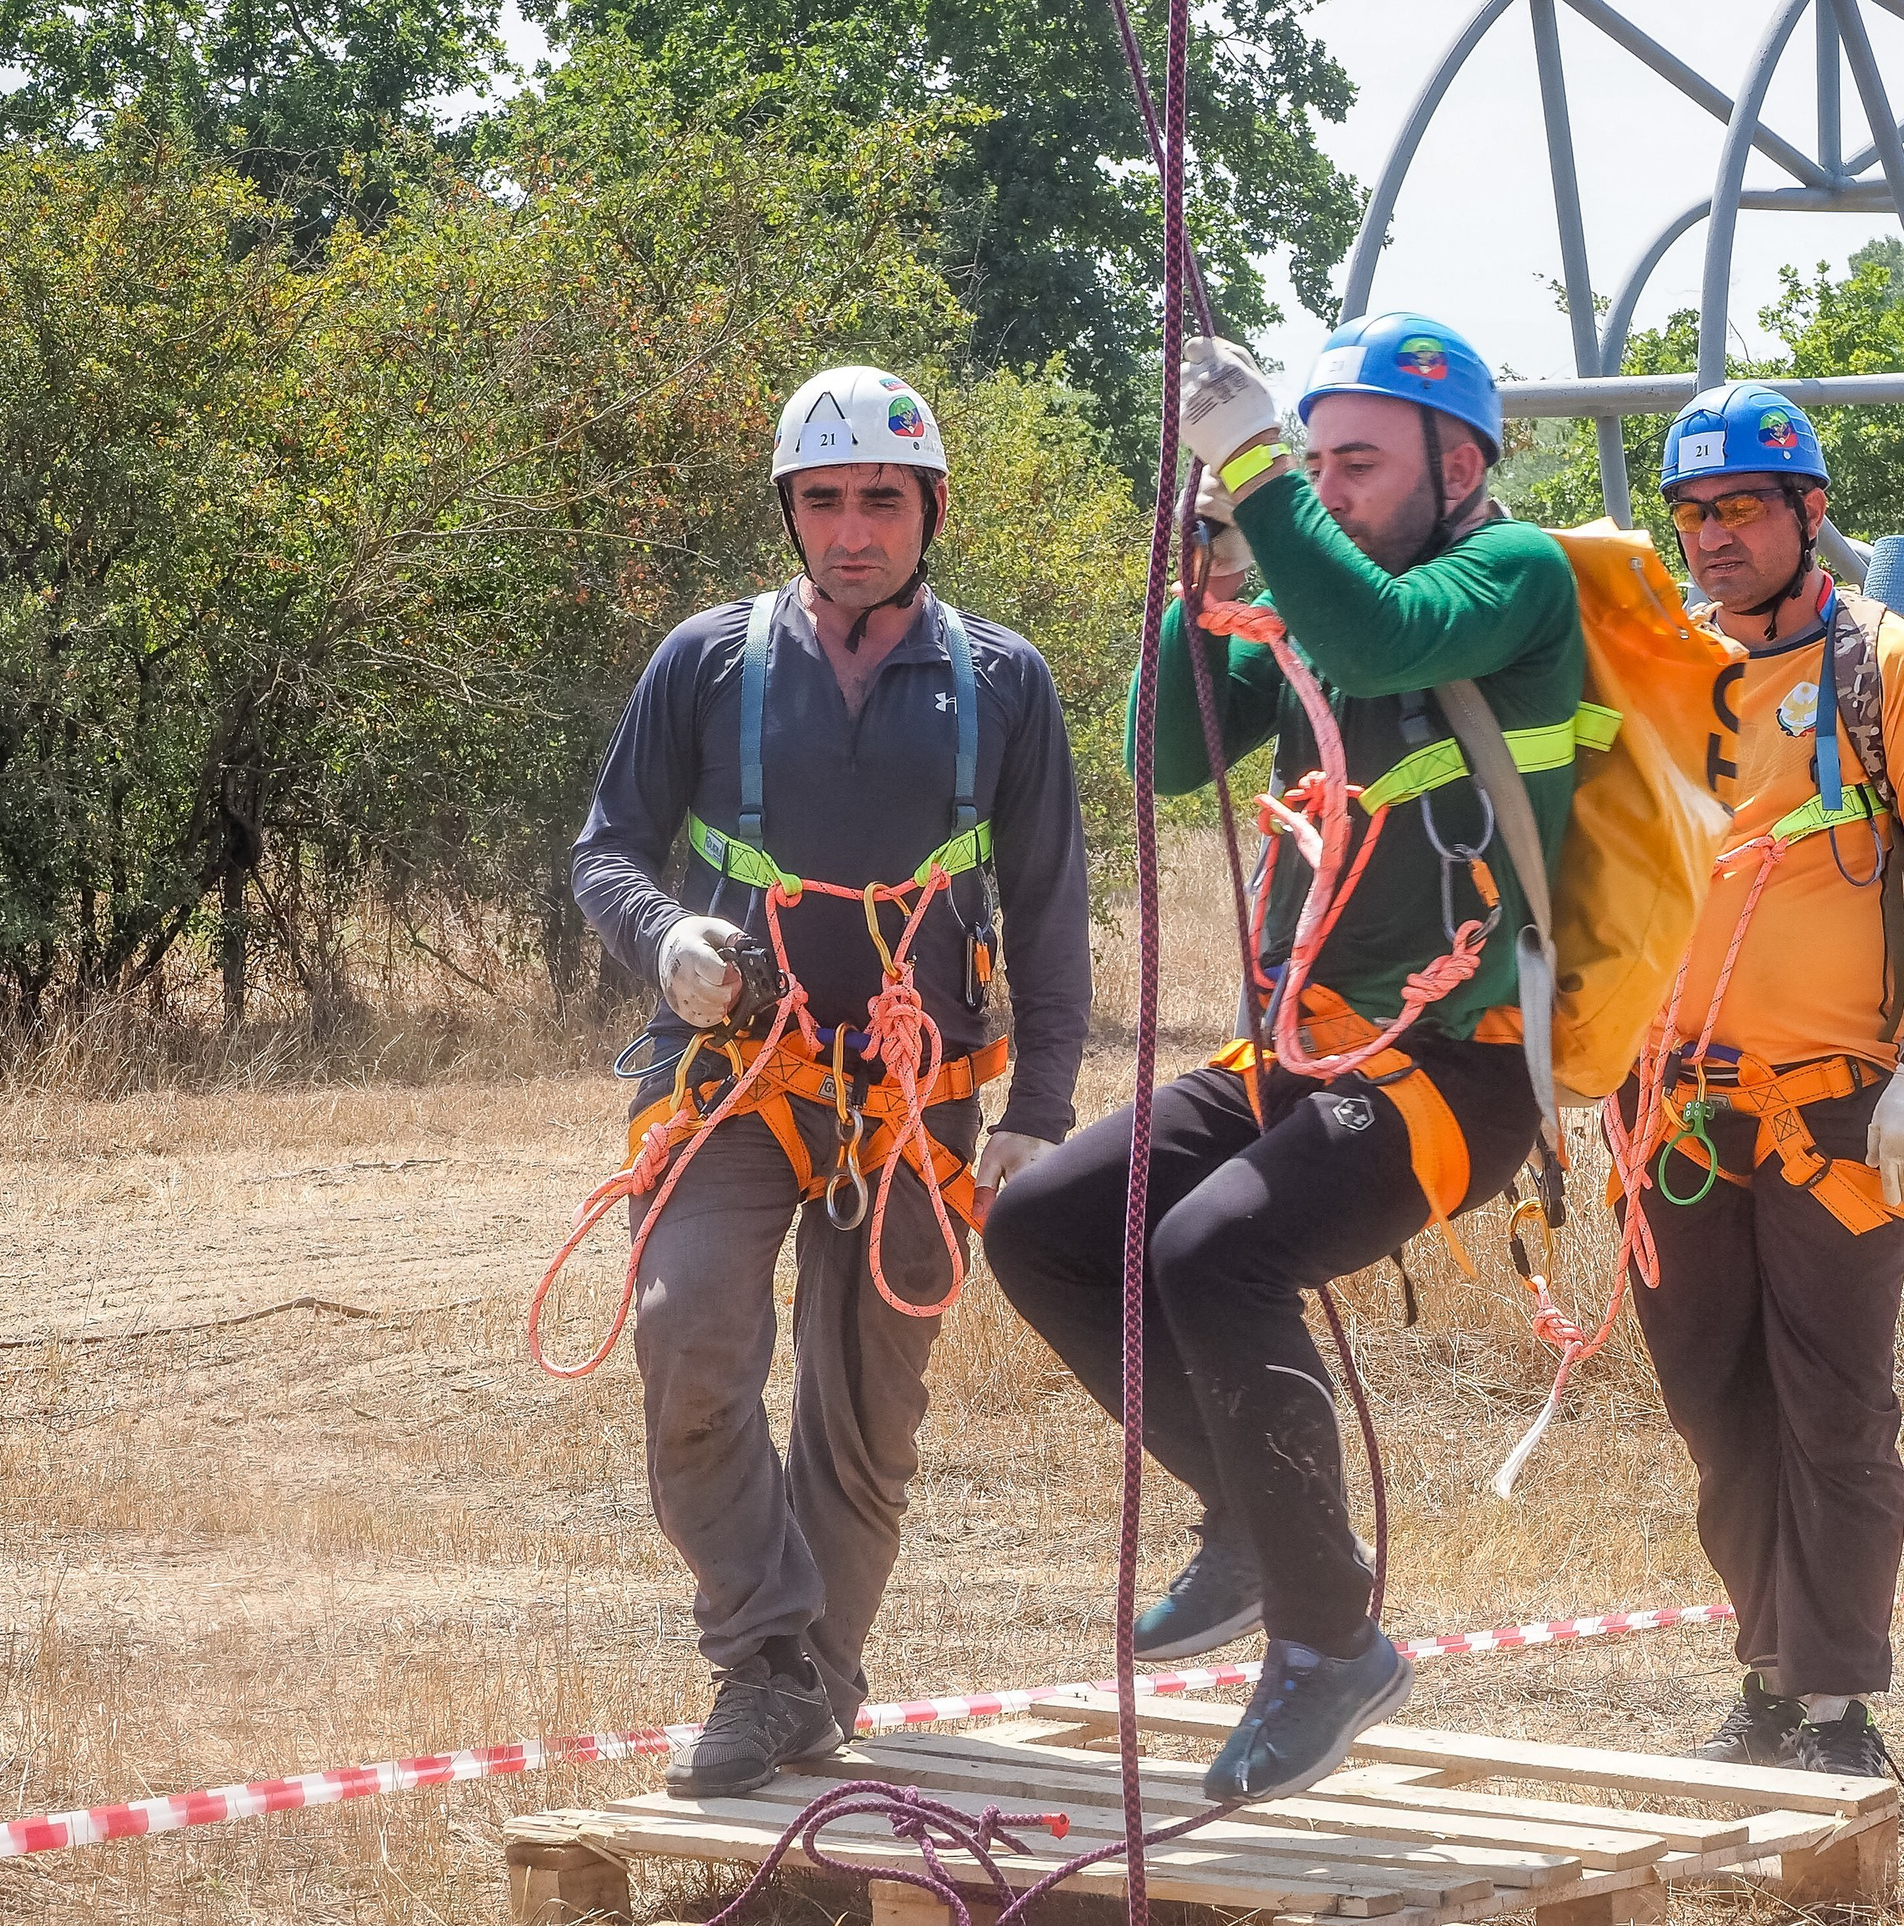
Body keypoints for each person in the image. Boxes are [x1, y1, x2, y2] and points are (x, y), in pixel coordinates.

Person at [984, 312, 1583, 1805]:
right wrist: (1214, 557)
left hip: (1462, 1066)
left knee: (1212, 1255)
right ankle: (1253, 1527)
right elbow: (1169, 751)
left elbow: (1387, 634)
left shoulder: (1512, 579)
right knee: (1047, 1224)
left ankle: (1332, 1644)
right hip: (1308, 1054)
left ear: (1461, 465)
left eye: (1356, 465)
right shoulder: (1312, 598)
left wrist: (1258, 474)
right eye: (1315, 461)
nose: (1329, 487)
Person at [572, 367, 1093, 1797]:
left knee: (864, 1414)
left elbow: (1048, 913)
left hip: (918, 1100)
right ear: (789, 512)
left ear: (929, 510)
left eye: (881, 500)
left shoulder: (1002, 683)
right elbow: (606, 848)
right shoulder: (707, 662)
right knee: (687, 1345)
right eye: (824, 501)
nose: (852, 530)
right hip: (730, 1080)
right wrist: (663, 930)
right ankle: (765, 1660)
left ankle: (812, 1690)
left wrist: (1041, 1112)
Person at [1618, 382, 1904, 1782]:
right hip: (1672, 1107)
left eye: (1740, 508)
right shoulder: (1657, 666)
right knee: (1713, 1405)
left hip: (1839, 1107)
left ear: (1810, 514)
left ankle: (1837, 1708)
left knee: (1833, 1402)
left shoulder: (1896, 668)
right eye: (1692, 512)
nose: (1713, 536)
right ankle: (1766, 1674)